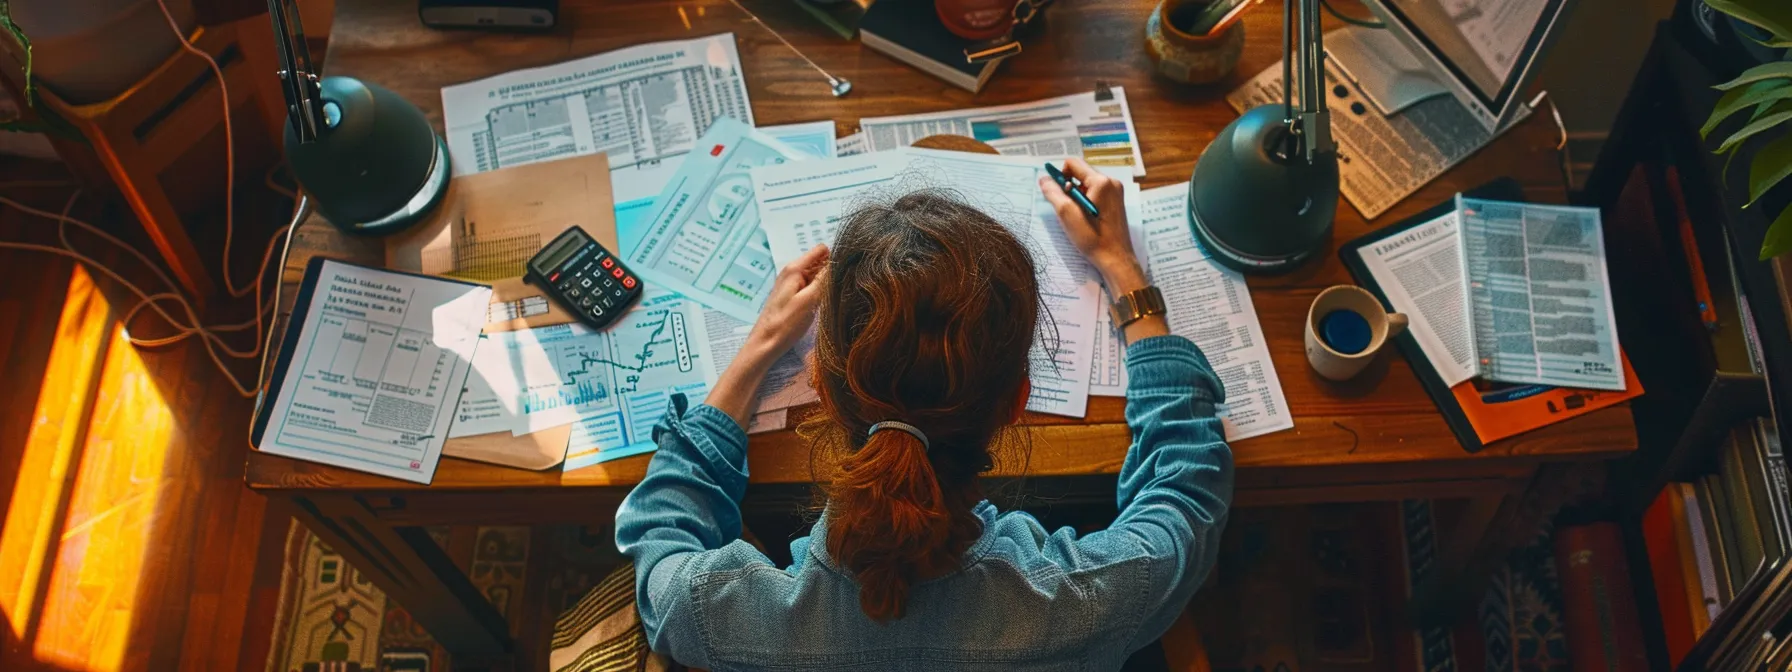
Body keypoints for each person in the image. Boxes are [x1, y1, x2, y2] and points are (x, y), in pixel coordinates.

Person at [614, 159, 1233, 670]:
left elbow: (660, 540)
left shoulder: (715, 615)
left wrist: (754, 352)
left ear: (823, 391)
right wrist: (1126, 273)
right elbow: (1185, 496)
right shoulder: (1088, 602)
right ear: (1017, 403)